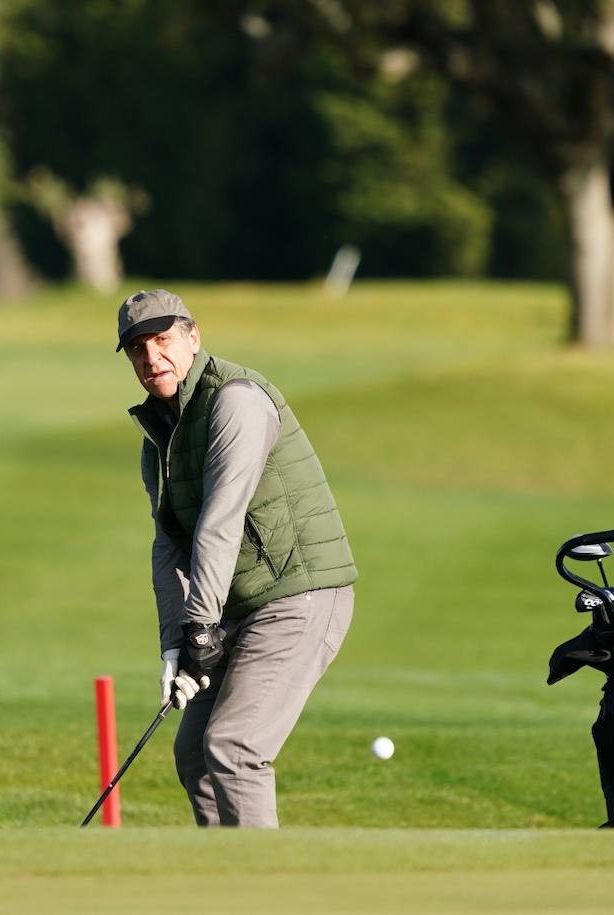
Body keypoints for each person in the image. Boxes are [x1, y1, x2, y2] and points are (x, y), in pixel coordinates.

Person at [116, 288, 358, 828]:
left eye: (163, 340)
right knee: (196, 756)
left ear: (193, 337)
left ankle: (265, 892)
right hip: (235, 611)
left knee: (234, 746)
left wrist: (200, 629)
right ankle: (224, 883)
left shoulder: (236, 401)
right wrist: (175, 642)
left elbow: (219, 523)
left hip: (298, 596)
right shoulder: (159, 434)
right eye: (137, 349)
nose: (152, 358)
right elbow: (169, 541)